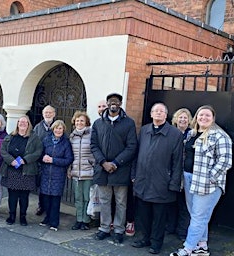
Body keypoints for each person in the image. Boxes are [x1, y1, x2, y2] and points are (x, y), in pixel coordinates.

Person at [170, 105, 232, 256]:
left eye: (207, 115)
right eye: (200, 115)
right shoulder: (192, 134)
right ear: (196, 117)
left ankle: (188, 249)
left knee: (198, 216)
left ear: (213, 118)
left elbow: (225, 161)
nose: (203, 118)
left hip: (208, 185)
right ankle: (202, 246)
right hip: (189, 179)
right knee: (197, 215)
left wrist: (211, 178)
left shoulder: (220, 136)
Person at [132, 103, 183, 254]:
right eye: (155, 111)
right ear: (151, 114)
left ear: (166, 115)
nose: (158, 113)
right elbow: (136, 155)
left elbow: (177, 161)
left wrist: (173, 184)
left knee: (159, 217)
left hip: (162, 182)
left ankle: (156, 243)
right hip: (142, 180)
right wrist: (134, 175)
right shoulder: (144, 130)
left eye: (161, 111)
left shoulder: (175, 134)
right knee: (143, 215)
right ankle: (144, 238)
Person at [91, 93, 137, 244]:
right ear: (107, 103)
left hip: (120, 169)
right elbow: (94, 145)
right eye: (110, 101)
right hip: (102, 169)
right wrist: (103, 162)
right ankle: (104, 228)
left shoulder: (129, 123)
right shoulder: (98, 123)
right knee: (104, 201)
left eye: (116, 102)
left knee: (121, 202)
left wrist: (116, 162)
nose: (113, 104)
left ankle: (118, 229)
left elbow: (131, 147)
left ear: (120, 104)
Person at [1, 115, 43, 226]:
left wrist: (25, 160)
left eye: (25, 122)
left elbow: (38, 152)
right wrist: (11, 161)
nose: (22, 124)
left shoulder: (34, 138)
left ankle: (23, 217)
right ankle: (12, 215)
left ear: (28, 124)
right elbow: (3, 150)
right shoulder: (10, 136)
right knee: (12, 196)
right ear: (17, 124)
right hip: (12, 170)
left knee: (24, 196)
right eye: (20, 122)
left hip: (26, 170)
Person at [39, 120, 74, 231]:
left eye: (60, 128)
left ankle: (54, 222)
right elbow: (40, 155)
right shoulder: (46, 140)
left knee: (55, 199)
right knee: (45, 198)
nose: (58, 130)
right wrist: (43, 158)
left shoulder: (66, 143)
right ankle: (47, 218)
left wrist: (53, 160)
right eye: (56, 128)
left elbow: (68, 159)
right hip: (45, 173)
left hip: (58, 175)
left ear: (63, 130)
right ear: (53, 129)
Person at [166, 108, 192, 240]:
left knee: (184, 204)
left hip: (186, 173)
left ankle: (182, 231)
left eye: (185, 118)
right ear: (175, 119)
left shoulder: (192, 135)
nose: (182, 120)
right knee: (171, 201)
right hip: (171, 172)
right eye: (180, 117)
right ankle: (170, 227)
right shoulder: (170, 133)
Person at [69, 111, 94, 231]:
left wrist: (92, 163)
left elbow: (95, 151)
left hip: (88, 171)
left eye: (82, 121)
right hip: (76, 172)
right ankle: (79, 219)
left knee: (87, 198)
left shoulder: (91, 134)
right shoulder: (72, 136)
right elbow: (69, 154)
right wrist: (69, 169)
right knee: (78, 198)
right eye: (77, 120)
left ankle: (86, 220)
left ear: (86, 122)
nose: (79, 123)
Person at [33, 105, 56, 216]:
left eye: (50, 112)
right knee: (42, 186)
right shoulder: (38, 127)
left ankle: (51, 208)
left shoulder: (58, 126)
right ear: (43, 114)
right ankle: (41, 206)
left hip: (54, 161)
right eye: (46, 112)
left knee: (53, 186)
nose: (48, 114)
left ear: (54, 114)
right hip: (40, 161)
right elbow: (34, 142)